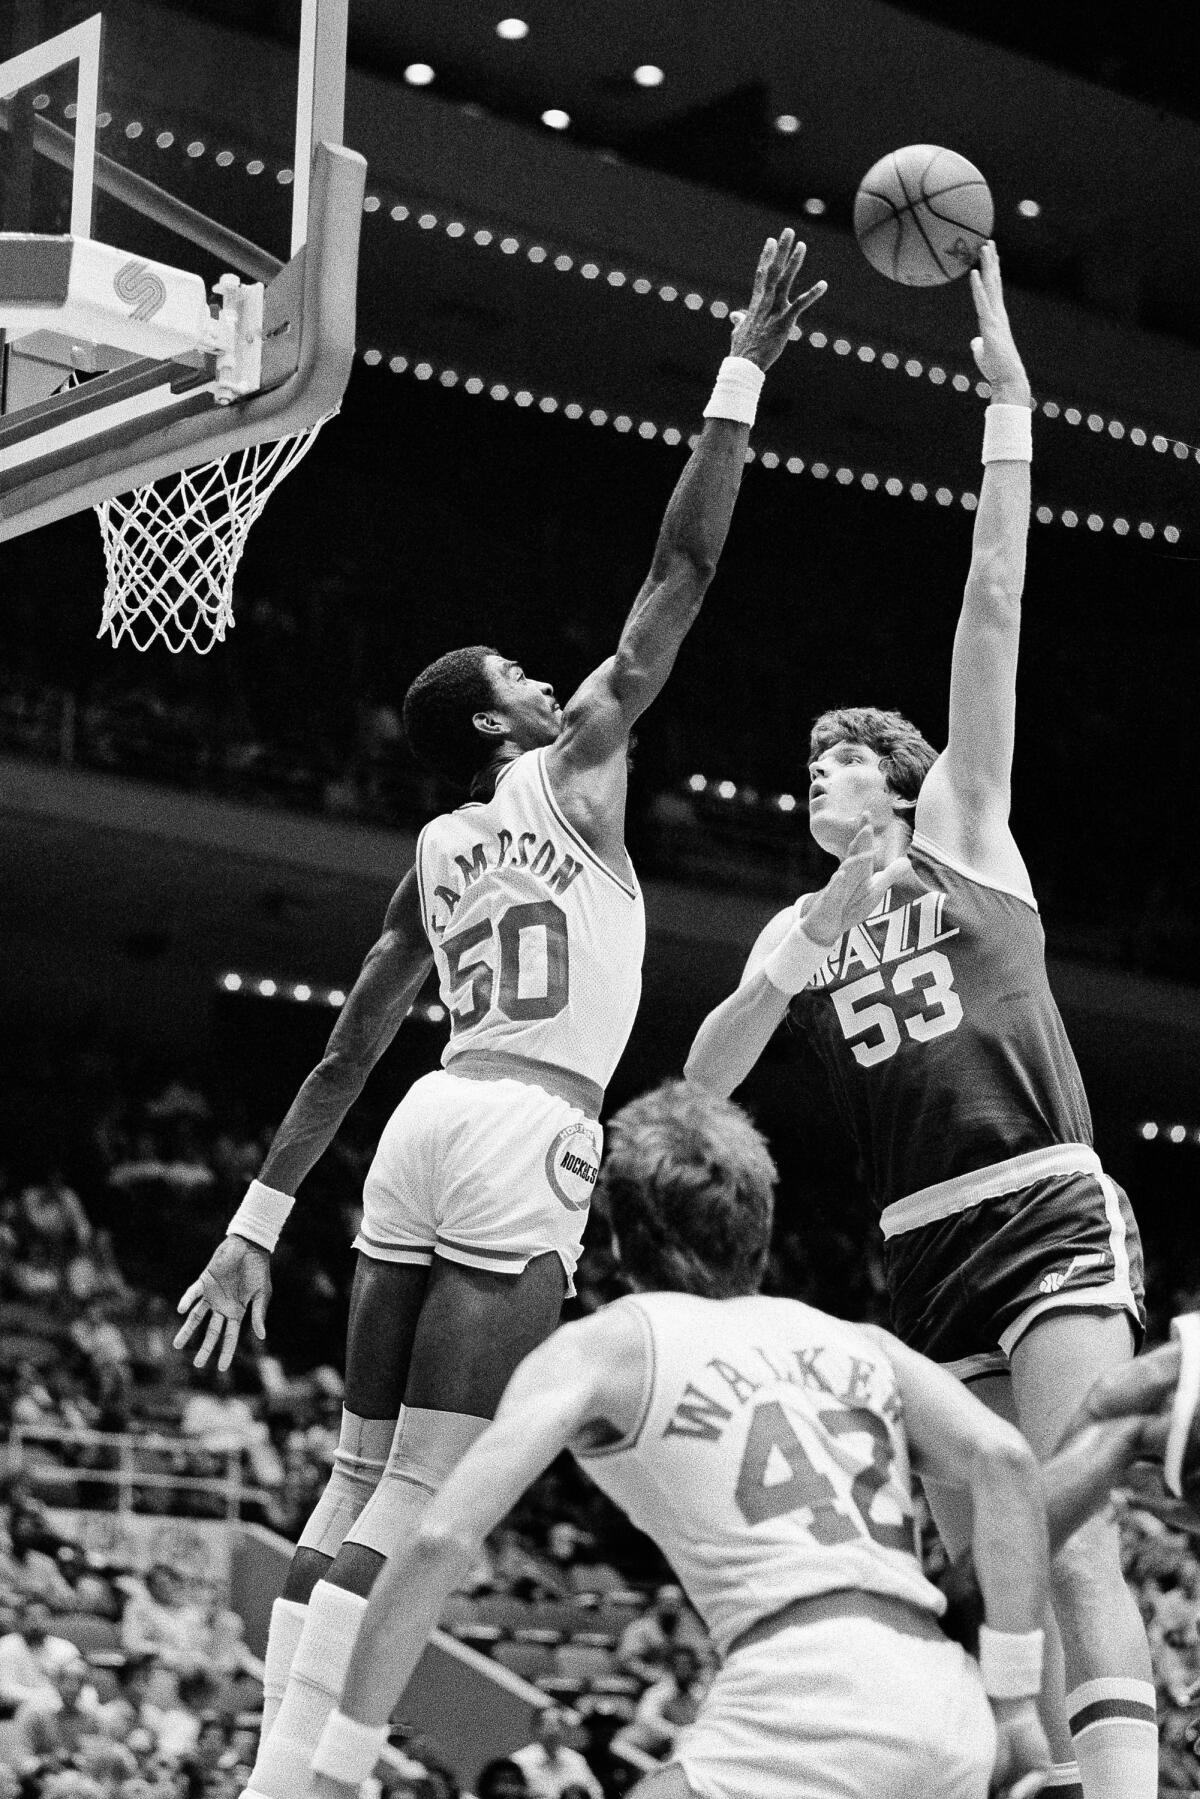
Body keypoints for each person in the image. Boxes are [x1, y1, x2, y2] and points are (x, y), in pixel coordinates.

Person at [172, 231, 828, 1799]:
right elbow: (681, 574)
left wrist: (256, 1220)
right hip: (528, 1124)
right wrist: (742, 367)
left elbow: (342, 1051)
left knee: (350, 1484)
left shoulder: (434, 852)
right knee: (421, 1506)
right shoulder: (582, 759)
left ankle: (278, 1770)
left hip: (420, 1117)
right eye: (527, 675)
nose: (556, 678)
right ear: (498, 719)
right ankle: (303, 1784)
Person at [684, 241, 1154, 1799]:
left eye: (834, 758)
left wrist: (1006, 404)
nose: (813, 774)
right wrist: (794, 949)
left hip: (1037, 1195)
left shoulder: (962, 816)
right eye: (808, 762)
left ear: (890, 772)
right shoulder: (799, 925)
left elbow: (997, 596)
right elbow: (701, 1085)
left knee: (1073, 1533)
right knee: (989, 1560)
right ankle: (1029, 1768)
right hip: (916, 1237)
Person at [312, 1081, 1053, 1799]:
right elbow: (1007, 1460)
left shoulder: (609, 1346)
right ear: (760, 1223)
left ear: (617, 1235)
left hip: (804, 1693)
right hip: (943, 1704)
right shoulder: (860, 1343)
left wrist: (339, 1768)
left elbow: (440, 1536)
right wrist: (1015, 1703)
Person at [613, 1587, 707, 1687]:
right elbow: (626, 1659)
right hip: (642, 1682)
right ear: (657, 1604)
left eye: (674, 1603)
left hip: (682, 1684)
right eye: (666, 1602)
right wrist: (650, 1674)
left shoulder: (691, 1629)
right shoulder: (639, 1628)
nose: (670, 1606)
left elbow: (704, 1658)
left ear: (681, 1605)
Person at [510, 1707, 604, 1799]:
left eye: (559, 1724)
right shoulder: (518, 1761)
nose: (554, 1731)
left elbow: (596, 1793)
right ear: (536, 1729)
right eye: (548, 1724)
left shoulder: (577, 1760)